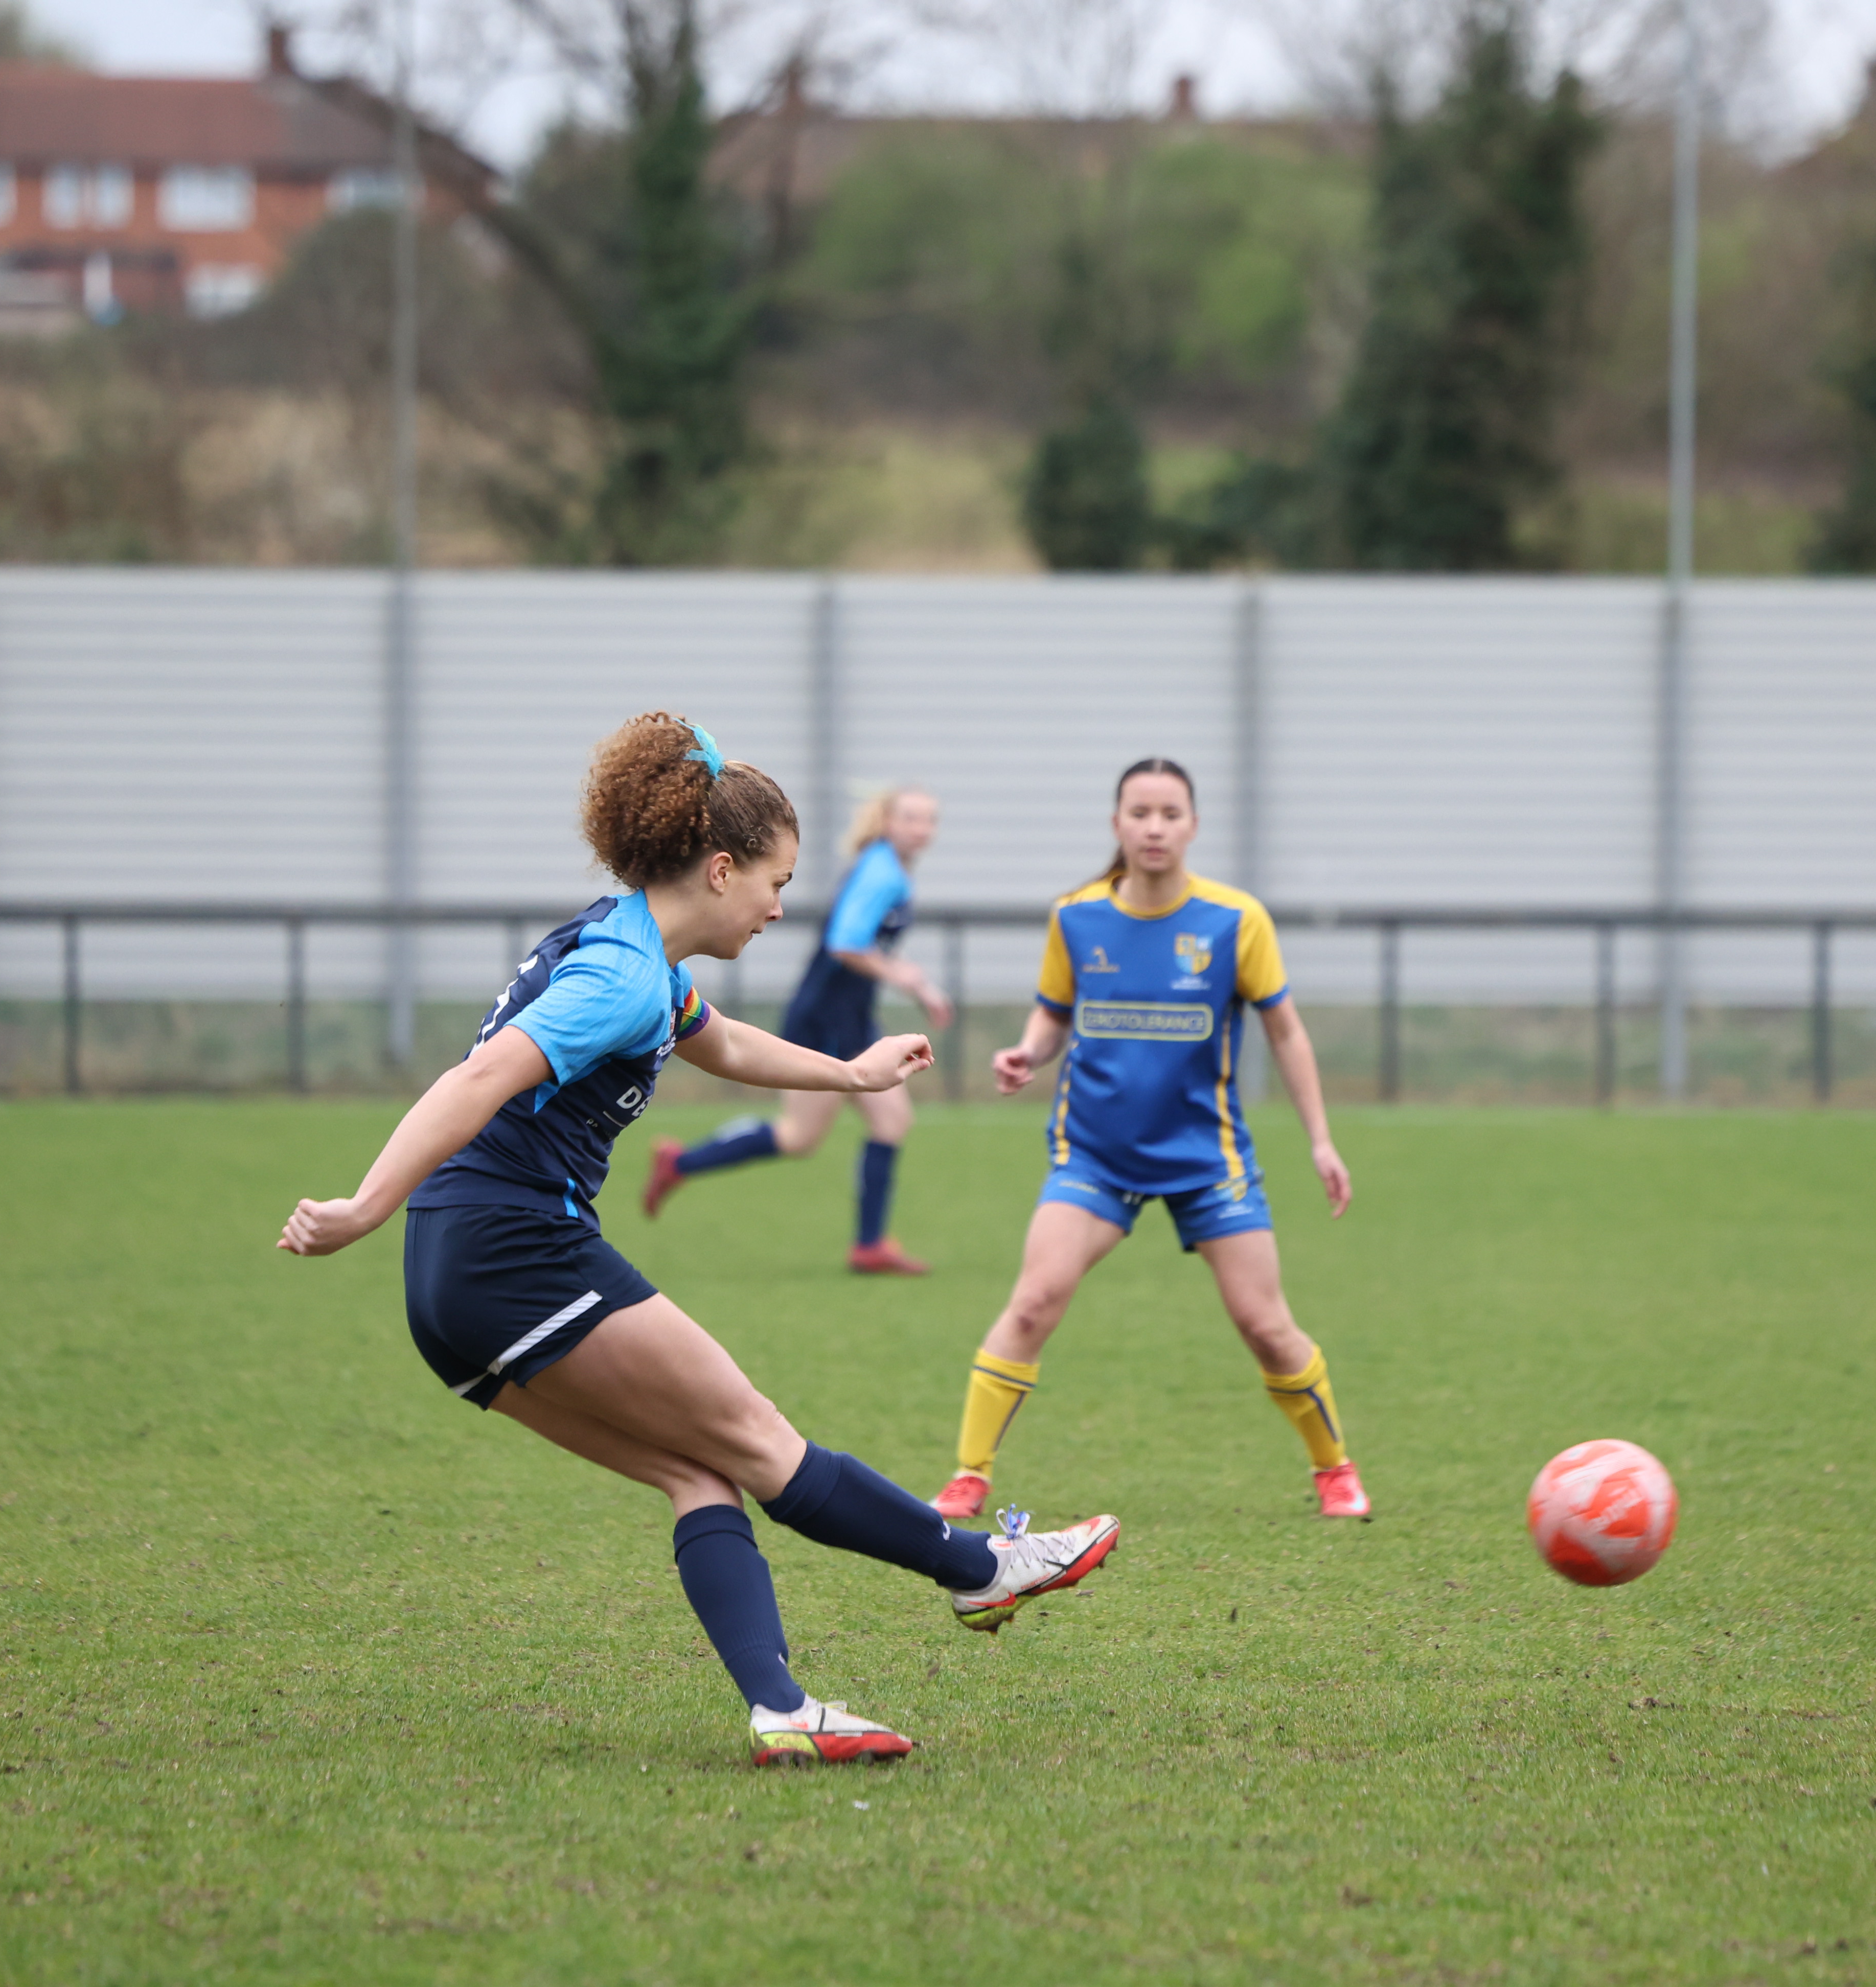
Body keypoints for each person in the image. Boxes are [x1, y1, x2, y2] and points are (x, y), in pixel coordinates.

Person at [276, 714, 1118, 1768]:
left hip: (450, 1287)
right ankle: (977, 1565)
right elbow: (478, 1080)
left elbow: (715, 1038)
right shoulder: (620, 977)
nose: (779, 906)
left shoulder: (627, 944)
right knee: (763, 1439)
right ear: (721, 868)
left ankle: (781, 1709)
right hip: (515, 1252)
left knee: (701, 1474)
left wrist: (848, 1073)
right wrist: (363, 1205)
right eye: (775, 880)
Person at [928, 757, 1366, 1527]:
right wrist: (1028, 1053)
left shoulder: (1237, 921)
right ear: (1117, 825)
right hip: (1095, 1152)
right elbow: (1055, 1014)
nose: (1155, 827)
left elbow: (1287, 1032)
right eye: (1140, 813)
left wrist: (1322, 1141)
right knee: (1033, 1302)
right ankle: (969, 1475)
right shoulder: (1076, 916)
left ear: (1193, 825)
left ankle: (1335, 1469)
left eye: (1170, 813)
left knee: (1265, 1324)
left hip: (1207, 1158)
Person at [644, 786, 954, 1275]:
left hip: (851, 1018)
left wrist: (912, 984)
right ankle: (680, 1164)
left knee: (892, 1120)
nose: (922, 829)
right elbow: (846, 944)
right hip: (824, 1019)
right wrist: (909, 978)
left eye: (929, 820)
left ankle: (869, 1246)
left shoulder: (888, 869)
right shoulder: (881, 872)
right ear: (887, 822)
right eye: (912, 818)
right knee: (798, 1138)